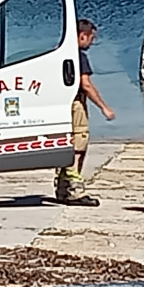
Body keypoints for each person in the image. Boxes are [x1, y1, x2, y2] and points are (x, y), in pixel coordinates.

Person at [54, 19, 116, 206]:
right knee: (78, 145)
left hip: (60, 104)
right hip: (75, 104)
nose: (91, 43)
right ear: (82, 36)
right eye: (91, 38)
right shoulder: (78, 56)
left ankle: (62, 187)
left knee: (65, 143)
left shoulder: (58, 52)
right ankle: (75, 190)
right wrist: (104, 107)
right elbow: (86, 85)